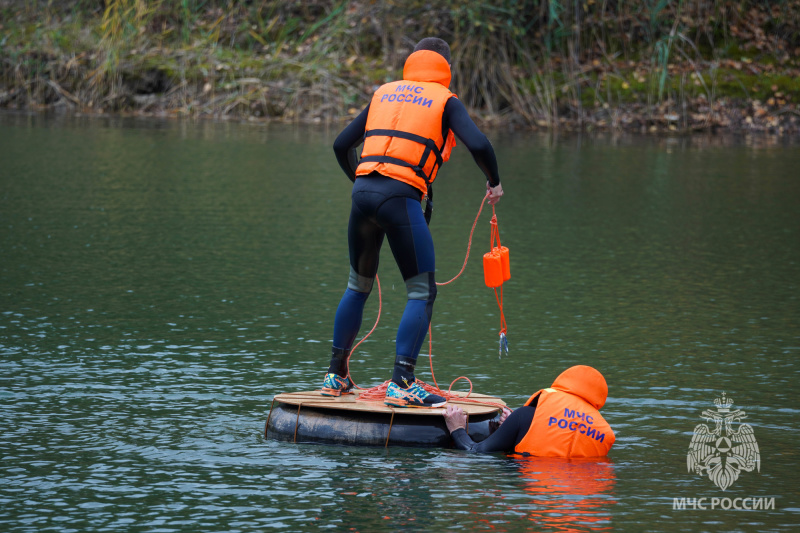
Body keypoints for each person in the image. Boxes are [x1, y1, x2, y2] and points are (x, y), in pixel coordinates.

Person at [320, 37, 504, 408]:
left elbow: (342, 144)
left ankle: (335, 376)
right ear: (446, 69)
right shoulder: (444, 100)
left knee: (358, 286)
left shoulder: (384, 93)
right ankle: (402, 381)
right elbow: (480, 145)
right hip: (400, 198)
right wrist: (495, 181)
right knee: (422, 292)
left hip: (363, 193)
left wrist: (362, 183)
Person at [443, 365, 615, 456]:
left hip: (529, 486)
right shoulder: (602, 431)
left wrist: (457, 428)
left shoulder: (525, 417)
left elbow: (475, 452)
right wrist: (513, 430)